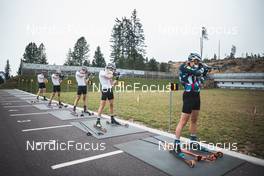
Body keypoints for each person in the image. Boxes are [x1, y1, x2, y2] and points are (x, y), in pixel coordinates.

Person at [174, 53, 208, 157]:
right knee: (183, 122)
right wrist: (203, 69)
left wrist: (205, 71)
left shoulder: (194, 70)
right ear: (190, 60)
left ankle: (193, 143)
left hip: (197, 96)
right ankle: (176, 144)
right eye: (195, 61)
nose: (197, 63)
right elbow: (197, 72)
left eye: (198, 61)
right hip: (188, 95)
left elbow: (202, 79)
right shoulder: (184, 68)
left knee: (194, 120)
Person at [95, 63, 120, 128]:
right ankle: (98, 121)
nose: (112, 70)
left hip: (110, 90)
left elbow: (112, 84)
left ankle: (112, 119)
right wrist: (114, 73)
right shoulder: (102, 72)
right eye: (111, 69)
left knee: (111, 104)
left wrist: (117, 78)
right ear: (108, 68)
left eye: (112, 69)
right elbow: (109, 76)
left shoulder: (109, 73)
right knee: (102, 105)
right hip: (105, 90)